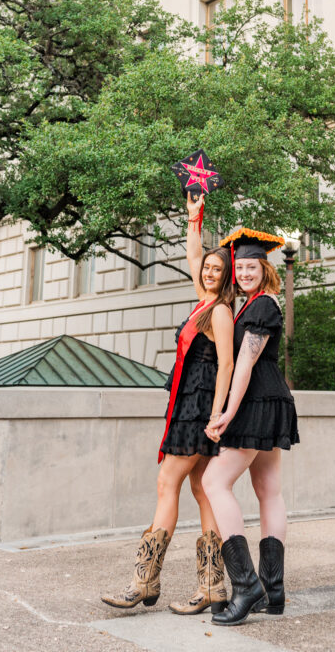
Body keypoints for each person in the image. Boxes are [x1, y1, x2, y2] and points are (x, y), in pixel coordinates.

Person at [101, 193, 235, 614]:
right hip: (188, 403)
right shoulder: (205, 301)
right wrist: (194, 219)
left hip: (199, 407)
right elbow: (194, 255)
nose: (210, 273)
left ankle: (144, 581)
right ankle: (213, 585)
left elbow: (228, 363)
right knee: (201, 489)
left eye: (218, 270)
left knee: (167, 483)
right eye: (208, 269)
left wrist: (215, 415)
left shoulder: (220, 313)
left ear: (227, 277)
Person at [201, 228, 299, 626]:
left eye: (250, 266)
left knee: (213, 482)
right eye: (238, 267)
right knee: (268, 490)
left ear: (264, 267)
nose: (243, 272)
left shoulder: (261, 306)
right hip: (273, 400)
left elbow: (244, 364)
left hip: (256, 402)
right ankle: (272, 591)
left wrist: (226, 411)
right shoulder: (254, 304)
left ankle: (246, 585)